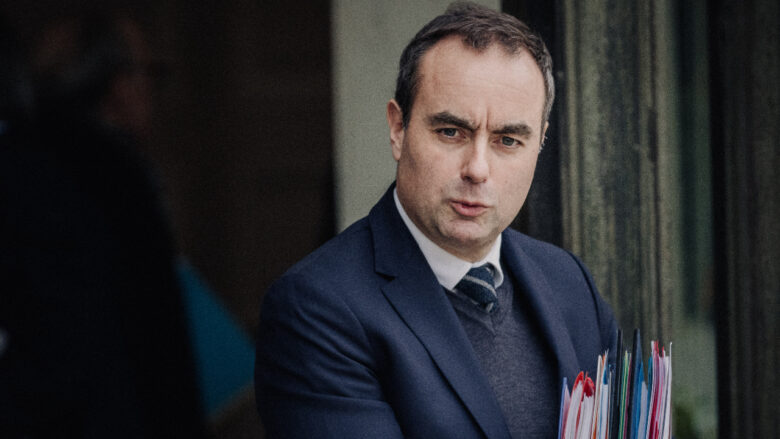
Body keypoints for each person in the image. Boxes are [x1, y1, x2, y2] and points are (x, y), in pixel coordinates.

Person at [254, 3, 617, 438]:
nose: (477, 169)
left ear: (539, 143)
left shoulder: (569, 283)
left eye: (507, 140)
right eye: (451, 132)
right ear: (398, 129)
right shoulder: (317, 310)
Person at [0, 13, 207, 437]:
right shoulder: (101, 176)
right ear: (117, 83)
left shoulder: (44, 163)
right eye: (149, 72)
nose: (152, 90)